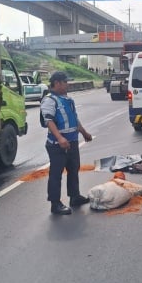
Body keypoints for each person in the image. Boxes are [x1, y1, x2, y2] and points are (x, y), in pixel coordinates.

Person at [41, 71, 93, 215]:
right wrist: (60, 138)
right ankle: (55, 204)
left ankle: (74, 196)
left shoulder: (68, 100)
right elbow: (49, 121)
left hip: (72, 142)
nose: (67, 85)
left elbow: (74, 119)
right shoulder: (49, 100)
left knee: (74, 169)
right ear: (57, 83)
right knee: (56, 174)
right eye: (65, 82)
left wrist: (84, 132)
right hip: (58, 145)